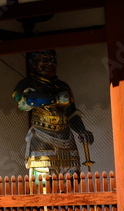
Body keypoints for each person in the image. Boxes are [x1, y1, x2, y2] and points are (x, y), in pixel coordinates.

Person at [12, 49, 94, 178]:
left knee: (72, 176)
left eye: (53, 60)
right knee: (44, 178)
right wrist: (55, 99)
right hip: (42, 136)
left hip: (66, 137)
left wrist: (82, 130)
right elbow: (26, 101)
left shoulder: (62, 86)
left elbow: (71, 113)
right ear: (32, 63)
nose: (50, 63)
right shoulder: (27, 84)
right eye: (44, 60)